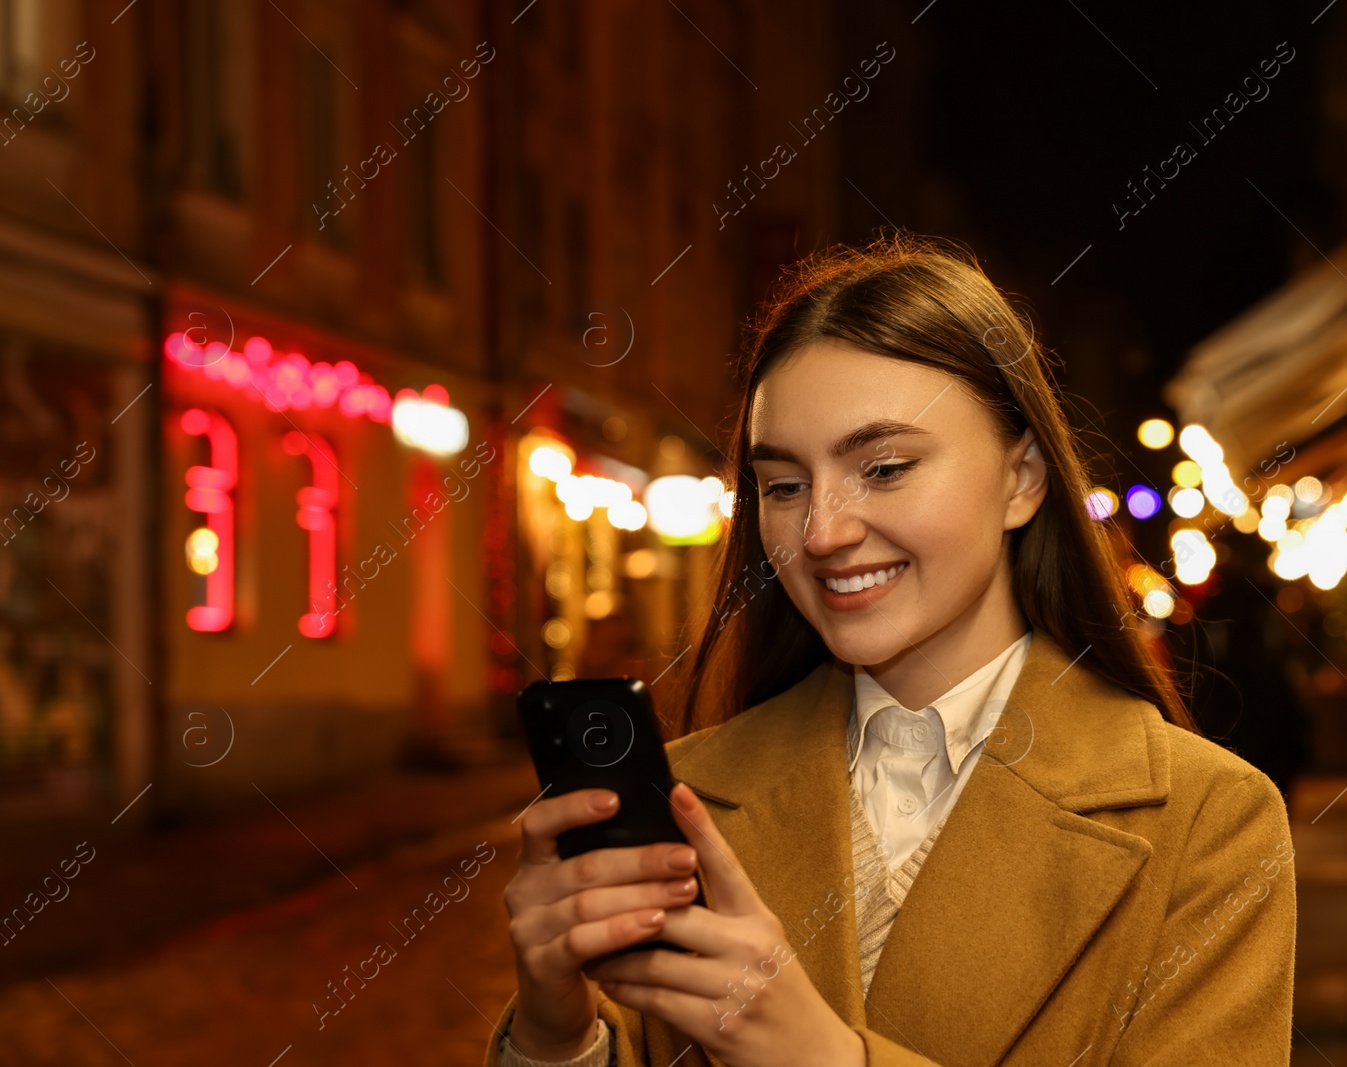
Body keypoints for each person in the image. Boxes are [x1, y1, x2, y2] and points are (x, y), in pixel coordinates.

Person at [488, 233, 1296, 1067]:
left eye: (884, 468)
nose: (823, 531)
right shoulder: (689, 796)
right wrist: (557, 1034)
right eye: (785, 485)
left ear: (1022, 478)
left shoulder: (1208, 823)